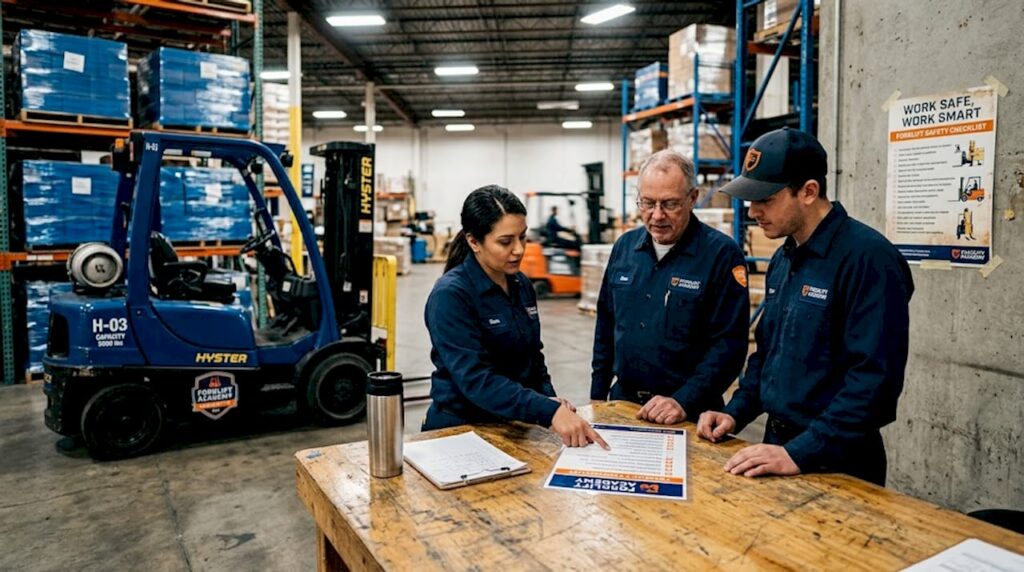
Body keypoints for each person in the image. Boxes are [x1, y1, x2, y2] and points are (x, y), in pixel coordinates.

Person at [697, 128, 914, 486]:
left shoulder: (868, 260)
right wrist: (734, 413)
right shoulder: (786, 257)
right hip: (779, 446)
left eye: (765, 199)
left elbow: (875, 382)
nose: (753, 212)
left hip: (840, 459)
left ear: (809, 192)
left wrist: (801, 452)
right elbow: (768, 354)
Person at [423, 185, 609, 449]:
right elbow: (477, 380)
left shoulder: (521, 284)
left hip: (513, 426)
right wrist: (548, 412)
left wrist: (549, 399)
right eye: (505, 242)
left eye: (523, 237)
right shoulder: (451, 296)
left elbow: (533, 358)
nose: (519, 249)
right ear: (474, 241)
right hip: (460, 431)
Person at [591, 150, 750, 425]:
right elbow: (606, 324)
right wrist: (597, 394)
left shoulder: (721, 256)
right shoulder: (624, 248)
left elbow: (729, 346)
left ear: (692, 198)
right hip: (624, 403)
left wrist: (684, 401)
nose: (656, 215)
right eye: (647, 203)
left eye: (670, 204)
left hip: (689, 413)